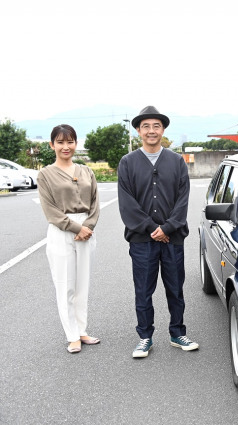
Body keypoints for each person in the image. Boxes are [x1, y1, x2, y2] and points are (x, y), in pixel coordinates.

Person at [117, 105, 198, 358]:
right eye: (146, 126)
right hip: (142, 240)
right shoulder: (128, 163)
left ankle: (177, 333)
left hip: (173, 239)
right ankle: (145, 337)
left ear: (163, 130)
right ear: (139, 131)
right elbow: (127, 203)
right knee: (143, 290)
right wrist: (154, 229)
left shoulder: (176, 161)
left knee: (175, 288)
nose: (151, 131)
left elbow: (183, 200)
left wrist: (168, 228)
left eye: (156, 126)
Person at [38, 124, 100, 354]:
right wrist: (76, 228)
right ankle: (71, 335)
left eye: (70, 141)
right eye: (61, 142)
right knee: (65, 285)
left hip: (86, 230)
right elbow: (50, 210)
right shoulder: (45, 174)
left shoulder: (86, 171)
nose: (66, 146)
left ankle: (82, 330)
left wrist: (88, 226)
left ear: (76, 143)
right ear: (52, 144)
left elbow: (95, 203)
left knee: (83, 284)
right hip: (61, 231)